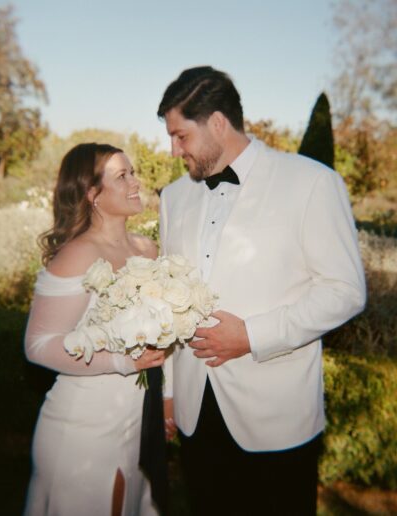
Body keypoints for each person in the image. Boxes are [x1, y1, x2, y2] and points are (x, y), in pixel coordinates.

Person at [158, 66, 366, 516]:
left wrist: (252, 335)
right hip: (196, 414)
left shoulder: (312, 182)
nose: (173, 150)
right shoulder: (172, 198)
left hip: (277, 417)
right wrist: (169, 391)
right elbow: (166, 297)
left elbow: (345, 290)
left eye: (180, 136)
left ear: (217, 123)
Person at [24, 143, 166, 516]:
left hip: (133, 422)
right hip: (82, 429)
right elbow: (37, 346)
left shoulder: (147, 249)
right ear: (93, 194)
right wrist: (120, 360)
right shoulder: (79, 253)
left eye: (133, 172)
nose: (136, 182)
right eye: (123, 176)